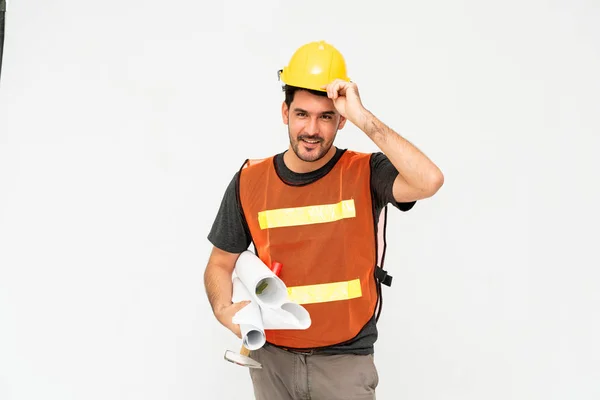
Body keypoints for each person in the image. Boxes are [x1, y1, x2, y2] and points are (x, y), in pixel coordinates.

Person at [204, 40, 444, 399]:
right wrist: (224, 309)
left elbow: (429, 181)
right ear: (285, 112)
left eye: (326, 116)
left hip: (344, 363)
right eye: (302, 114)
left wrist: (364, 117)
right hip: (271, 361)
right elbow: (219, 264)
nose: (312, 129)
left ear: (341, 119)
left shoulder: (366, 172)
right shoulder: (250, 180)